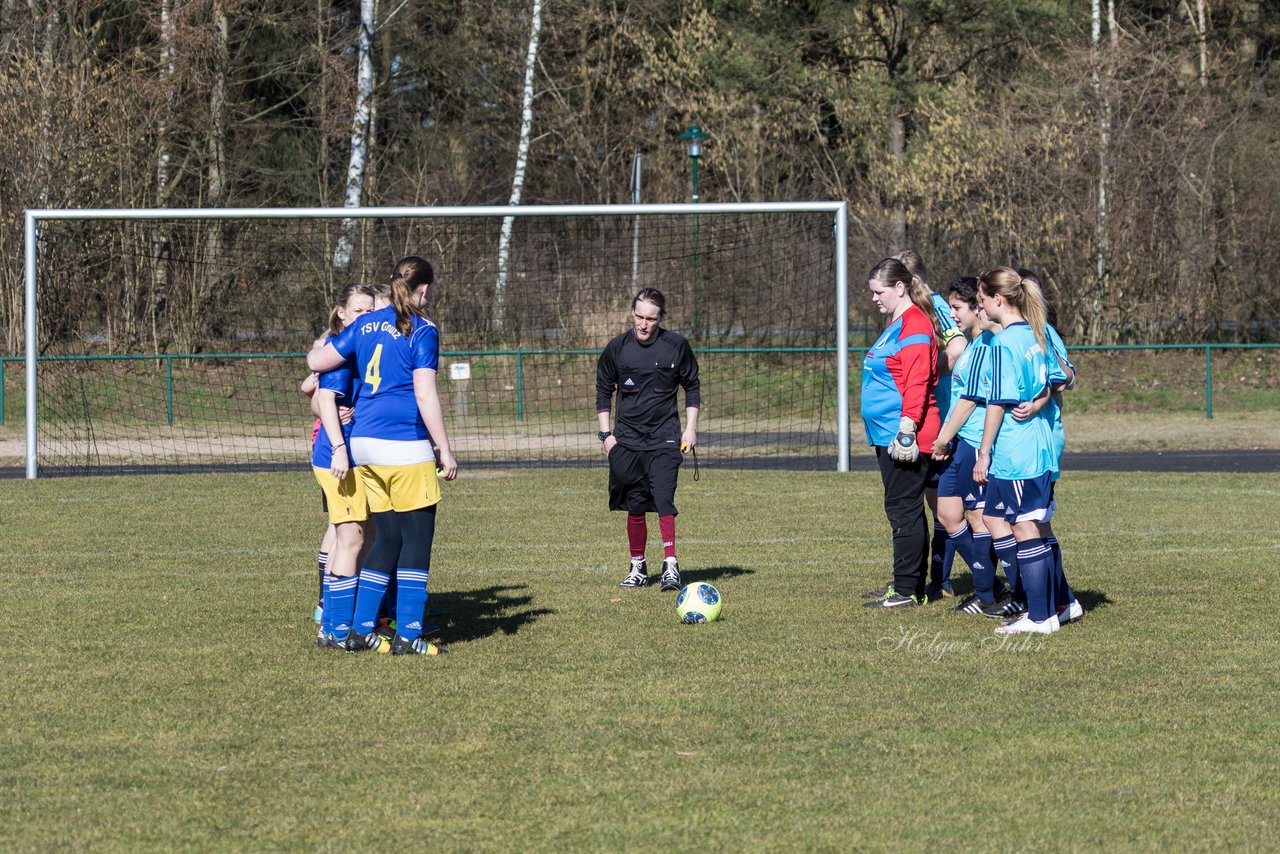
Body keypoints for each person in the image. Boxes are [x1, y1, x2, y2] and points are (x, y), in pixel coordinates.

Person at [308, 256, 458, 655]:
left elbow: (317, 364)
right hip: (402, 445)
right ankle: (408, 634)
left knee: (383, 537)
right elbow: (424, 393)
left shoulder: (363, 327)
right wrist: (443, 446)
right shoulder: (422, 329)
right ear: (423, 290)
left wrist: (323, 350)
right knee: (415, 541)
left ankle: (356, 628)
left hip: (365, 447)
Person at [971, 267, 1061, 635]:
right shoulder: (1034, 334)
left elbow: (998, 403)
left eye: (981, 299)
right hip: (1038, 446)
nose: (980, 306)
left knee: (1024, 528)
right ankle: (1047, 611)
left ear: (998, 299)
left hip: (1018, 450)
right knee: (1033, 526)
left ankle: (1041, 617)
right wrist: (1039, 401)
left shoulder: (1006, 343)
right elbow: (1051, 383)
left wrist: (984, 451)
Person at [596, 288, 700, 592]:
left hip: (665, 438)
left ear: (660, 318)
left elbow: (692, 386)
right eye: (639, 316)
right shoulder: (617, 348)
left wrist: (690, 428)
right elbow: (603, 389)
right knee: (636, 504)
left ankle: (670, 565)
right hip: (626, 441)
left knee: (665, 498)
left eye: (650, 318)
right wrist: (606, 437)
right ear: (632, 314)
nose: (644, 324)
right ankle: (638, 567)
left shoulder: (676, 346)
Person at [860, 258, 942, 607]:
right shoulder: (897, 323)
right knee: (901, 508)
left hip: (905, 436)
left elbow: (918, 381)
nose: (874, 299)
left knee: (904, 509)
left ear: (899, 287)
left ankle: (908, 591)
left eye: (879, 292)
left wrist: (907, 428)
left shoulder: (915, 326)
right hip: (888, 433)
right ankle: (906, 584)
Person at [892, 250, 965, 597]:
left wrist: (928, 371)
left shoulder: (934, 305)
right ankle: (918, 579)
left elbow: (959, 347)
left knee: (941, 507)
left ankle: (942, 580)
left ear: (906, 280)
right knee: (917, 504)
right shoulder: (906, 309)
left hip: (943, 417)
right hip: (923, 414)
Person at [930, 277, 1005, 614]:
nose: (953, 315)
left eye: (957, 308)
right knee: (947, 513)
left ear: (978, 307)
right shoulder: (975, 345)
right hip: (958, 441)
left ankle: (987, 594)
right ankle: (990, 584)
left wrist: (944, 437)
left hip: (973, 442)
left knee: (980, 519)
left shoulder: (988, 344)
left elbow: (971, 401)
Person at [308, 283, 378, 643]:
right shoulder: (342, 350)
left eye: (370, 311)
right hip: (338, 457)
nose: (366, 317)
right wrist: (338, 446)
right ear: (342, 313)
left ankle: (336, 623)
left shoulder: (360, 347)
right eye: (359, 310)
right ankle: (334, 627)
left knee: (355, 534)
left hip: (350, 454)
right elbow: (321, 395)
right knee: (350, 537)